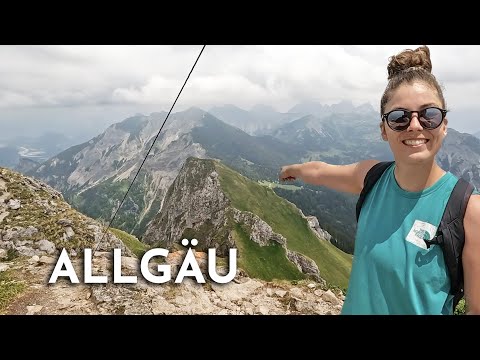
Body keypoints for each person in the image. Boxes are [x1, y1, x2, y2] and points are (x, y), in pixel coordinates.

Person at [279, 45, 480, 315]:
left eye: (429, 114)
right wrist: (294, 169)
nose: (415, 125)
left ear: (444, 124)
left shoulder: (469, 211)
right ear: (384, 129)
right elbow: (322, 170)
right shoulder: (372, 177)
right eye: (399, 117)